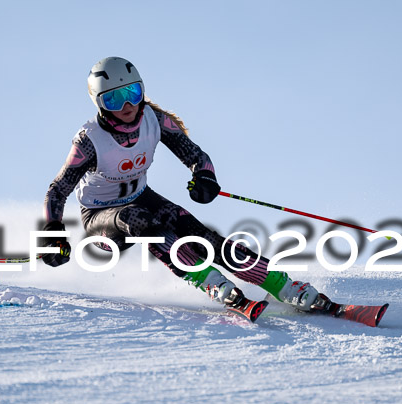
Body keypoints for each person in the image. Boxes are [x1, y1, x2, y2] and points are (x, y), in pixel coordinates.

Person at [41, 57, 328, 321]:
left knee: (198, 234)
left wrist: (205, 177)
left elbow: (196, 156)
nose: (126, 105)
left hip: (142, 197)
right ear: (99, 103)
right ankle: (211, 282)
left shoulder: (154, 119)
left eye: (132, 94)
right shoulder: (90, 140)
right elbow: (57, 190)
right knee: (141, 220)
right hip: (103, 218)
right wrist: (53, 234)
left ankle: (282, 286)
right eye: (114, 99)